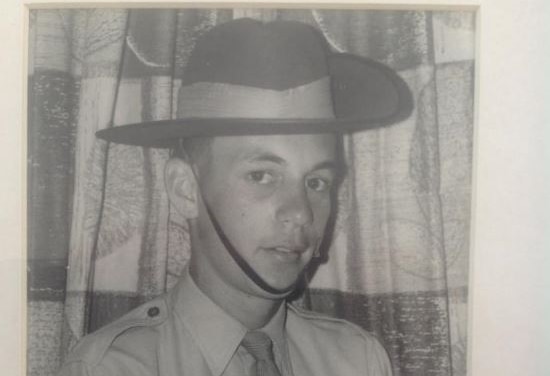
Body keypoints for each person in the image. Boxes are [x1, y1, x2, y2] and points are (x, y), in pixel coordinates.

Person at [58, 17, 412, 376]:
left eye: (317, 182)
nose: (301, 214)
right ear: (185, 189)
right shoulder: (111, 369)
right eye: (262, 175)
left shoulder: (356, 361)